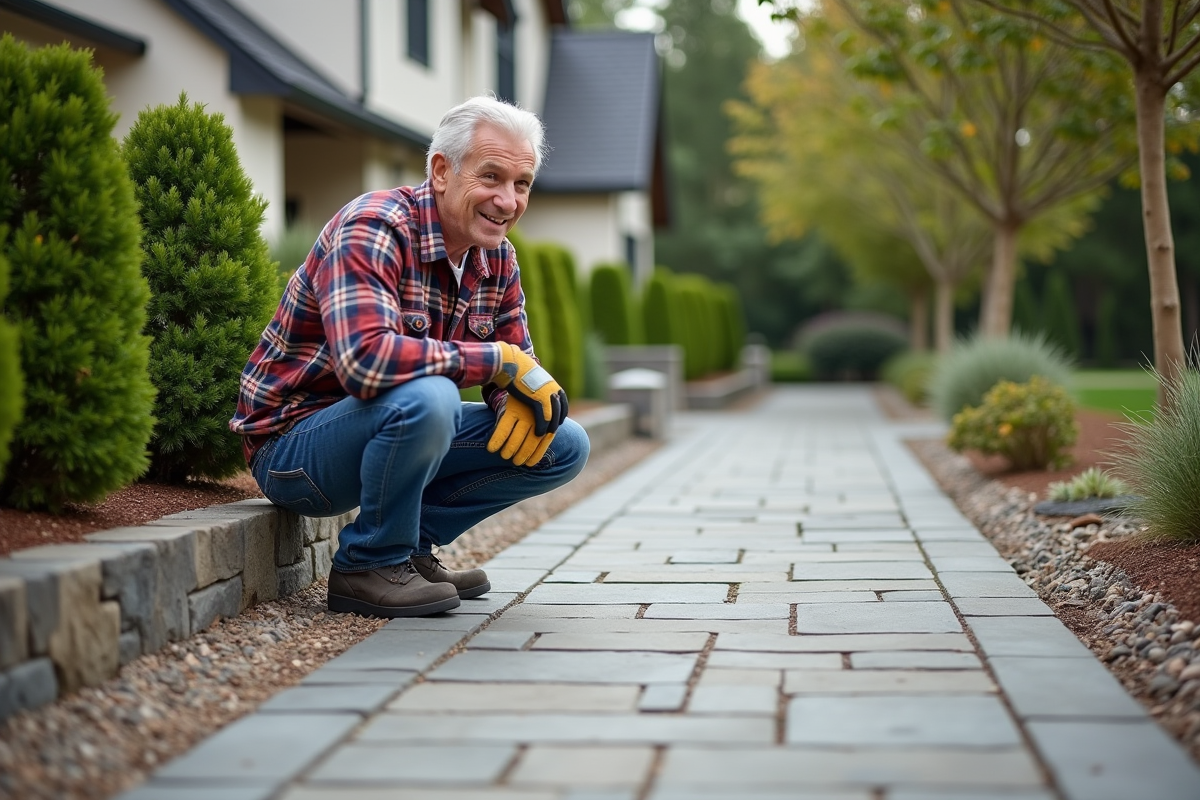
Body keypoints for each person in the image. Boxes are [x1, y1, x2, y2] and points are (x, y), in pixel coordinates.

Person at [230, 96, 589, 618]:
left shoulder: (498, 258)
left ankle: (409, 550)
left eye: (521, 183)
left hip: (395, 426)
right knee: (431, 395)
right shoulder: (374, 226)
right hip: (294, 452)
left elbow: (516, 367)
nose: (507, 200)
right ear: (441, 171)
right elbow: (366, 361)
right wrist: (499, 363)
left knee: (563, 442)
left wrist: (516, 394)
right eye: (491, 177)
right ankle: (368, 564)